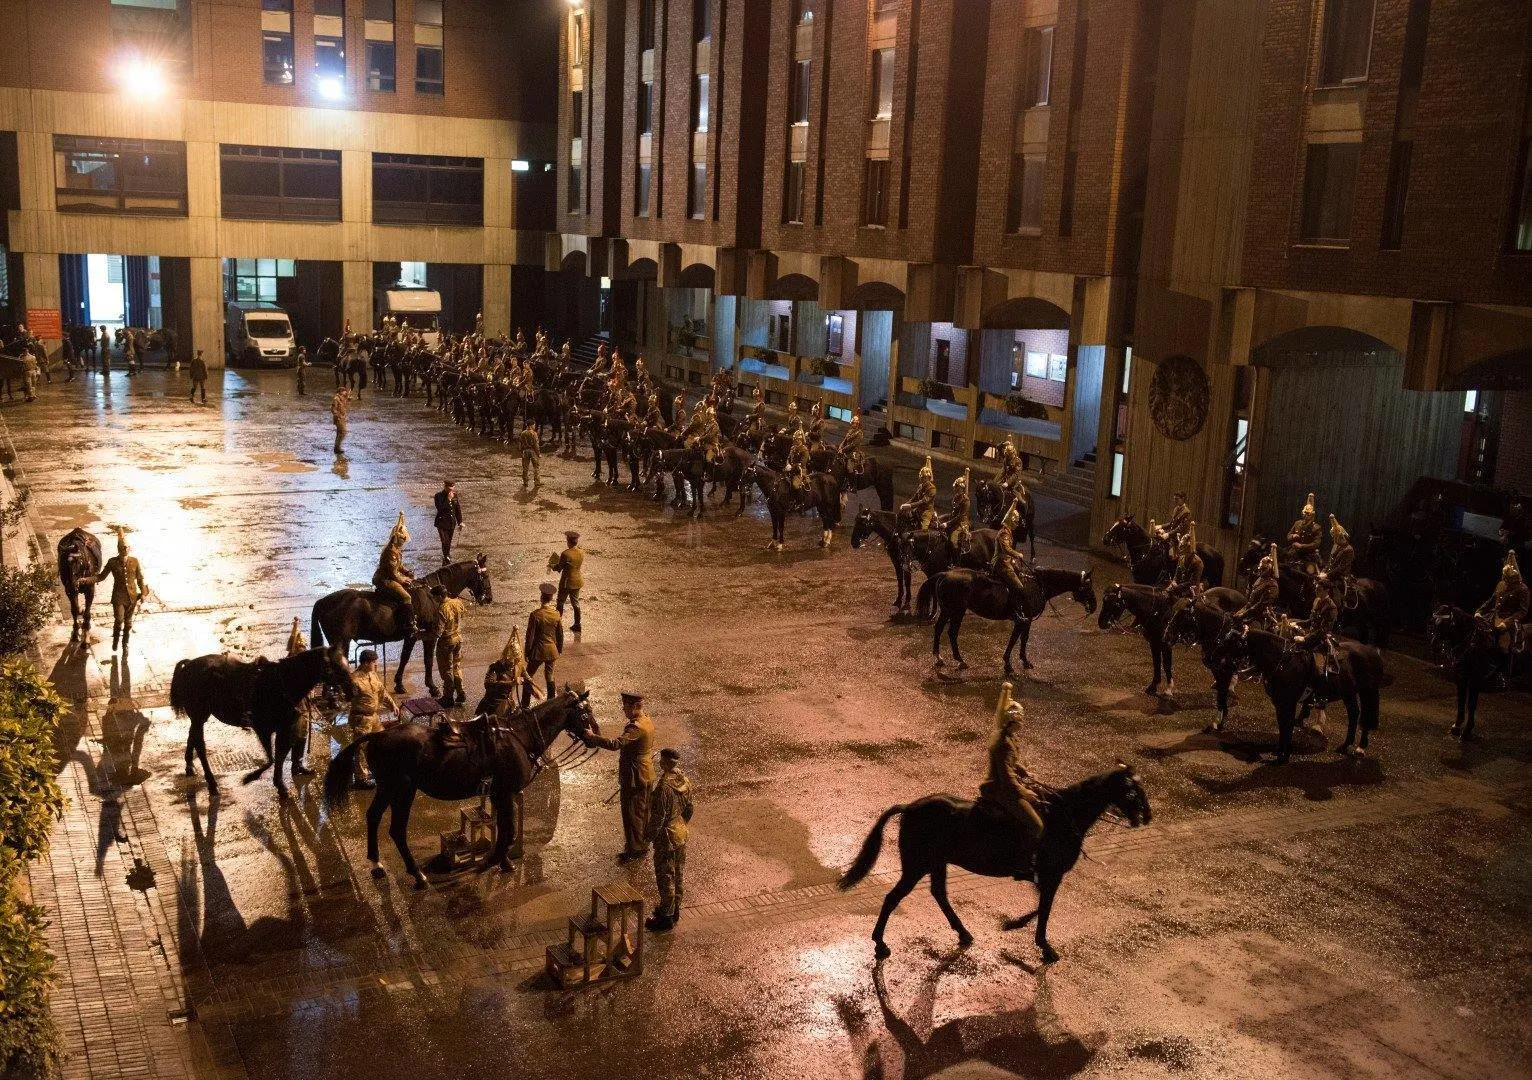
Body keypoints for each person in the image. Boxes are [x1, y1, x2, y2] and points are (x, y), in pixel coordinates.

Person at [976, 683, 1045, 873]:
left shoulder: (1008, 737)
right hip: (998, 789)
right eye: (1019, 722)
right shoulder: (1004, 742)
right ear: (1012, 722)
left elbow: (1011, 763)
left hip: (1005, 783)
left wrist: (1024, 772)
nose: (1021, 725)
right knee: (1036, 825)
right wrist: (1024, 791)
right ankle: (1023, 861)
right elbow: (1006, 776)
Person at [585, 690, 656, 862]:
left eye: (625, 706)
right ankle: (639, 845)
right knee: (642, 811)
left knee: (632, 813)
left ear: (634, 706)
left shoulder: (635, 727)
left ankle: (635, 850)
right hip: (645, 772)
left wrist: (594, 737)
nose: (623, 709)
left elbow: (616, 744)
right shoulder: (646, 720)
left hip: (634, 775)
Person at [645, 747, 693, 933]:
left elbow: (659, 817)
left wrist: (648, 836)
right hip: (681, 832)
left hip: (667, 837)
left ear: (664, 763)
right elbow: (689, 809)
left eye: (661, 761)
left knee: (665, 876)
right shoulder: (685, 781)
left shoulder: (664, 787)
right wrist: (681, 824)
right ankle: (675, 910)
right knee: (679, 873)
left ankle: (665, 917)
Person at [346, 649, 397, 789]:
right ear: (365, 663)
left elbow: (382, 692)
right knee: (361, 747)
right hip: (361, 718)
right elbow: (346, 698)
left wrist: (392, 704)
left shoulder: (373, 675)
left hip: (373, 717)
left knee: (381, 741)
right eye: (373, 662)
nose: (376, 665)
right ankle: (361, 778)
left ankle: (373, 768)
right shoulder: (354, 680)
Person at [95, 527, 148, 652]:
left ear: (130, 548)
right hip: (118, 597)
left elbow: (140, 579)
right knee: (119, 620)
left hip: (132, 597)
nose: (125, 549)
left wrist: (144, 593)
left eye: (127, 547)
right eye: (123, 548)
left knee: (128, 623)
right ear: (118, 549)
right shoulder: (112, 562)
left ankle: (125, 644)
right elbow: (101, 577)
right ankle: (115, 641)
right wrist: (86, 580)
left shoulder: (134, 561)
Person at [1477, 551, 1528, 670]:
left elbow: (1522, 611)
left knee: (1503, 646)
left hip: (1509, 620)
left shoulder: (1523, 589)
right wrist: (1480, 611)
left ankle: (1502, 671)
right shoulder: (1501, 584)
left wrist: (1507, 622)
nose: (1505, 580)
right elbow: (1491, 600)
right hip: (1494, 616)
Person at [372, 512, 417, 638]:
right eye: (403, 539)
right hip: (385, 579)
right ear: (398, 538)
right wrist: (403, 580)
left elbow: (399, 566)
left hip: (392, 576)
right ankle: (407, 624)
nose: (404, 542)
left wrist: (408, 573)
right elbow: (392, 572)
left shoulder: (396, 550)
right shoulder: (390, 551)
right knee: (407, 597)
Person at [522, 582, 564, 705]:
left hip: (538, 651)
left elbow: (530, 636)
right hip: (552, 650)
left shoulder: (535, 615)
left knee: (528, 676)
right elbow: (560, 634)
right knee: (549, 676)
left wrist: (527, 652)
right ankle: (551, 702)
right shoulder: (556, 614)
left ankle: (525, 704)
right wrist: (559, 649)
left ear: (541, 597)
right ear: (551, 598)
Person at [434, 583, 466, 707]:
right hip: (458, 638)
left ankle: (448, 697)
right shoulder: (457, 602)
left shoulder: (442, 609)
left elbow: (438, 631)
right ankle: (461, 693)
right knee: (456, 667)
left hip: (446, 642)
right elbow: (462, 614)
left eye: (435, 597)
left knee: (446, 670)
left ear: (440, 596)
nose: (435, 600)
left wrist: (422, 635)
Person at [991, 500, 1027, 604]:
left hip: (1006, 561)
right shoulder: (1005, 533)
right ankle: (1015, 607)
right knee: (1018, 586)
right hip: (1001, 563)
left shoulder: (1008, 532)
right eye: (1015, 522)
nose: (1016, 524)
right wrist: (1017, 554)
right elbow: (1006, 549)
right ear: (1011, 522)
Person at [1237, 544, 1281, 624]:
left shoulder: (1272, 585)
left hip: (1262, 618)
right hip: (1250, 612)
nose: (1261, 571)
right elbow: (1250, 603)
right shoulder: (1260, 579)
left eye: (1263, 569)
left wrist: (1243, 614)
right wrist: (1240, 612)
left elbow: (1260, 606)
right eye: (1260, 569)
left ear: (1270, 569)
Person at [551, 530, 584, 634]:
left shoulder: (565, 553)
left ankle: (557, 625)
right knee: (575, 603)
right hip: (577, 581)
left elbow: (559, 568)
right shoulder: (581, 552)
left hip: (566, 582)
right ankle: (577, 624)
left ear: (568, 541)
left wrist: (552, 565)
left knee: (560, 602)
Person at [1286, 492, 1322, 573]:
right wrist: (1293, 536)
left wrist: (1302, 546)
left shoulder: (1316, 527)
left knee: (1310, 572)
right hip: (1294, 553)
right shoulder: (1297, 523)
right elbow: (1288, 536)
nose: (1306, 516)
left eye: (1308, 514)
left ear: (1312, 515)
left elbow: (1316, 544)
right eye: (1305, 514)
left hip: (1308, 555)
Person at [1166, 525, 1204, 599]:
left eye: (1182, 547)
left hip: (1191, 592)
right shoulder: (1181, 558)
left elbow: (1192, 583)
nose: (1180, 549)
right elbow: (1177, 575)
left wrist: (1176, 587)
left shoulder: (1198, 562)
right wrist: (1174, 581)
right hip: (1178, 588)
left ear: (1188, 548)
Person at [940, 469, 971, 553]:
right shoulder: (956, 497)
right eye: (956, 487)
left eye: (957, 487)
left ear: (961, 488)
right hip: (954, 520)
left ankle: (955, 560)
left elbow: (960, 516)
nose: (955, 489)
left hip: (961, 523)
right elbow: (954, 512)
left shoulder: (966, 500)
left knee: (953, 540)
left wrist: (947, 523)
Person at [902, 456, 937, 530]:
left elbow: (923, 502)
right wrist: (906, 504)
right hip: (918, 510)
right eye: (921, 476)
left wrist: (910, 506)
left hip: (926, 512)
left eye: (923, 477)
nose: (921, 478)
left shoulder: (932, 489)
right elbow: (914, 498)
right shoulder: (921, 486)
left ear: (928, 477)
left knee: (923, 530)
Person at [433, 480, 463, 564]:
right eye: (449, 489)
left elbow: (457, 509)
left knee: (449, 541)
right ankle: (446, 556)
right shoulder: (438, 496)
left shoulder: (455, 495)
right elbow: (440, 508)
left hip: (451, 523)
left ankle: (447, 555)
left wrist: (460, 522)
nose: (451, 490)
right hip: (441, 523)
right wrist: (448, 500)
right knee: (444, 541)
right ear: (445, 487)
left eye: (452, 488)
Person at [1325, 514, 1355, 598]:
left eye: (1335, 537)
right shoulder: (1336, 546)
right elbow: (1330, 562)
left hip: (1341, 576)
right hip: (1332, 574)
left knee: (1333, 589)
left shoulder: (1348, 549)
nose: (1333, 539)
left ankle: (1339, 605)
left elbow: (1341, 567)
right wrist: (1323, 571)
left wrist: (1327, 575)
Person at [786, 427, 811, 493]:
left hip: (799, 471)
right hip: (790, 469)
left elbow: (802, 463)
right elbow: (788, 458)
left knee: (795, 485)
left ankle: (799, 501)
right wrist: (788, 464)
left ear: (801, 440)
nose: (796, 441)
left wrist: (791, 467)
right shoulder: (792, 448)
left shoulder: (804, 450)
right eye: (795, 440)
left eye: (797, 440)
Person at [331, 386, 350, 455]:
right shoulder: (336, 399)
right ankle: (337, 447)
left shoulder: (341, 398)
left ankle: (337, 448)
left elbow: (344, 402)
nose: (346, 392)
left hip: (342, 418)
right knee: (343, 432)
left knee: (339, 433)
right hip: (339, 418)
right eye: (344, 391)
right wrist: (338, 416)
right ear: (341, 392)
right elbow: (333, 409)